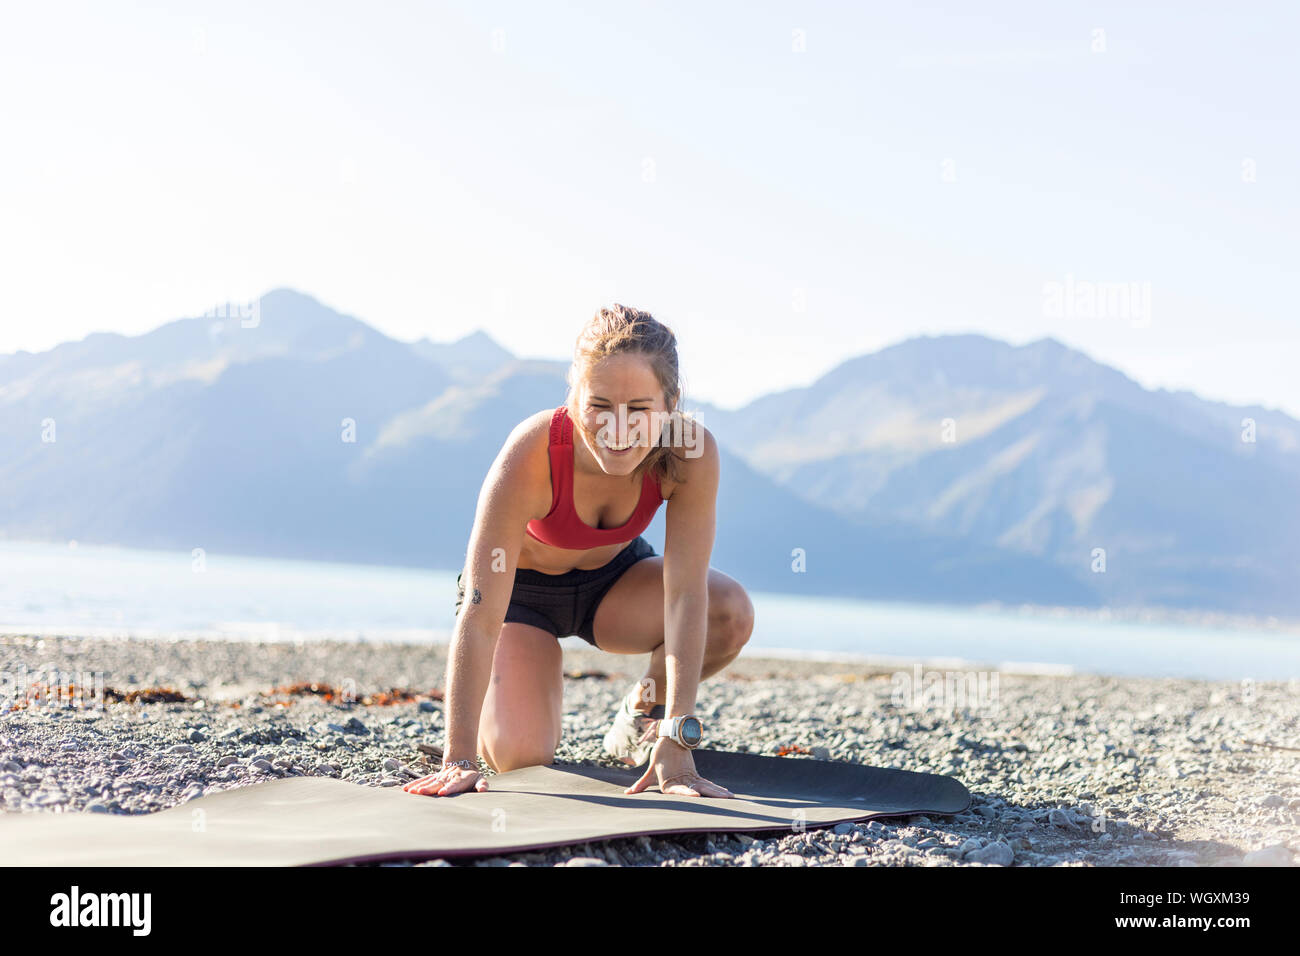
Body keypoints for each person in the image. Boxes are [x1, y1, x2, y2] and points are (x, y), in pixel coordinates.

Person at [403, 304, 754, 800]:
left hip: (612, 586)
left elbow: (684, 596)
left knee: (730, 613)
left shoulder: (688, 452)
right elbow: (480, 612)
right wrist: (458, 757)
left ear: (671, 403)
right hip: (517, 599)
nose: (617, 428)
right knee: (522, 758)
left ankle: (641, 714)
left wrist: (678, 740)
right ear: (573, 393)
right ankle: (493, 717)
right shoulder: (534, 449)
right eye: (599, 405)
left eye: (639, 409)